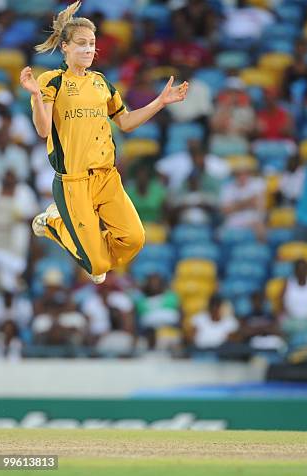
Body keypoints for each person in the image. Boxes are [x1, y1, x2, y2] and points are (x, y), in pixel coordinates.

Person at [19, 1, 188, 285]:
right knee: (96, 266)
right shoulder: (53, 81)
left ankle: (90, 250)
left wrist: (160, 102)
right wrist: (36, 96)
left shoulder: (101, 83)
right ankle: (53, 223)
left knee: (134, 239)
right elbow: (43, 129)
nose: (88, 49)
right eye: (81, 43)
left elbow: (125, 122)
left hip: (107, 177)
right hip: (74, 181)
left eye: (92, 44)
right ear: (65, 47)